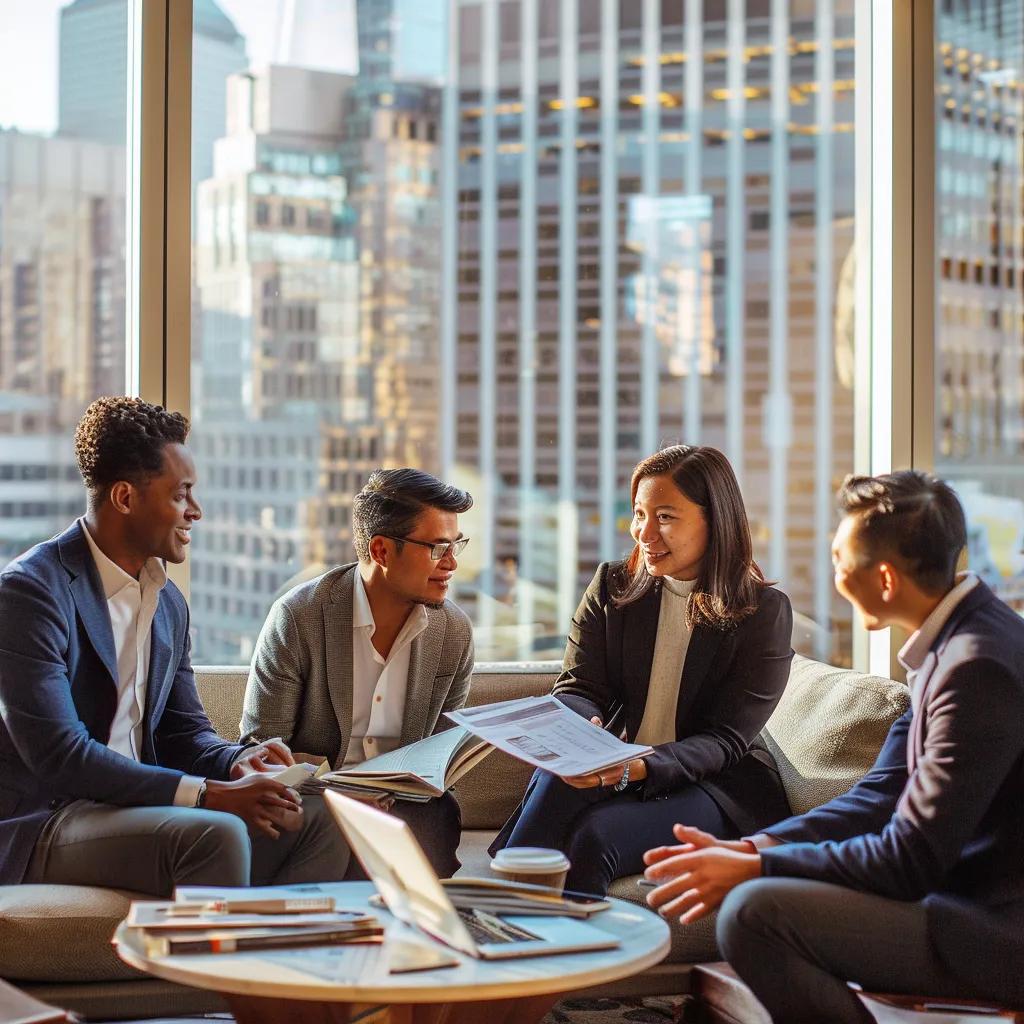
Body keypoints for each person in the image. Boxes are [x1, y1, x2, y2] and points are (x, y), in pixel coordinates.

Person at [642, 470, 1024, 1022]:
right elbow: (878, 796)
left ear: (886, 578)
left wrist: (757, 869)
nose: (835, 575)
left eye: (841, 561)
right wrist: (754, 848)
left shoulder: (976, 667)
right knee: (752, 900)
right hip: (964, 904)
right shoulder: (958, 642)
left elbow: (909, 861)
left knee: (752, 913)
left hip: (992, 930)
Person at [0, 397, 350, 895]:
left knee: (321, 814)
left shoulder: (167, 603)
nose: (196, 511)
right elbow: (61, 754)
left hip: (137, 809)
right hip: (49, 818)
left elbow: (184, 732)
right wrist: (208, 794)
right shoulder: (31, 592)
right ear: (125, 497)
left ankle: (270, 941)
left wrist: (238, 762)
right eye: (181, 494)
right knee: (214, 833)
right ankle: (222, 947)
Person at [491, 444, 794, 895]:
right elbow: (578, 686)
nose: (644, 533)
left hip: (709, 783)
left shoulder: (763, 612)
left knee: (595, 836)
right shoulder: (612, 587)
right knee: (558, 779)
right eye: (638, 514)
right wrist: (581, 728)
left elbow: (725, 740)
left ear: (716, 521)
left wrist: (636, 766)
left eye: (665, 517)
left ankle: (550, 931)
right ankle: (504, 909)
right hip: (616, 765)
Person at [240, 468, 475, 878]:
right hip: (314, 801)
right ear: (381, 551)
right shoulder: (299, 617)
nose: (452, 563)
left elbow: (441, 761)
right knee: (326, 832)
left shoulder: (453, 632)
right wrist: (337, 794)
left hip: (407, 808)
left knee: (434, 821)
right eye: (438, 548)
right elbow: (261, 748)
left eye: (456, 545)